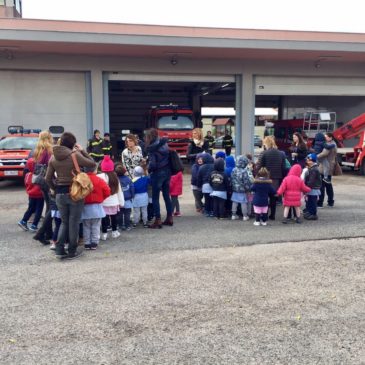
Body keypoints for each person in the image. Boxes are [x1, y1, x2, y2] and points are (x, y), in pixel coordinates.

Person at [45, 132, 96, 259]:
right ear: (72, 144)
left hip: (60, 194)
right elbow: (92, 163)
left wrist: (54, 188)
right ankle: (72, 250)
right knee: (73, 222)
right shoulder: (75, 155)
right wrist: (83, 151)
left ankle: (59, 249)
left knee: (64, 222)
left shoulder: (53, 157)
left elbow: (47, 178)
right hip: (75, 193)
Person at [145, 128, 173, 229]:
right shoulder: (164, 144)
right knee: (166, 196)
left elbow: (153, 164)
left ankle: (158, 220)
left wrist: (148, 170)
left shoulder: (152, 147)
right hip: (167, 172)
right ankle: (170, 218)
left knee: (155, 198)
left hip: (157, 173)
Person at [256, 136, 286, 220]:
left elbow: (260, 166)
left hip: (266, 177)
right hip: (276, 178)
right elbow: (283, 167)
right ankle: (272, 215)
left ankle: (264, 213)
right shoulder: (281, 153)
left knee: (265, 195)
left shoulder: (265, 153)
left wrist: (257, 175)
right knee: (273, 196)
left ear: (266, 143)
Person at [32, 130, 54, 243]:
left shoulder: (37, 150)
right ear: (48, 138)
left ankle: (48, 233)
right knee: (52, 207)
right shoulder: (49, 150)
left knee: (48, 206)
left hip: (39, 180)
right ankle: (41, 233)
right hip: (47, 180)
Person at [82, 165, 111, 250]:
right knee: (96, 225)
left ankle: (87, 242)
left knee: (86, 225)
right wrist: (101, 198)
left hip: (85, 206)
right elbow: (107, 191)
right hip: (97, 206)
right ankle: (94, 242)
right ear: (95, 170)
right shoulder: (99, 180)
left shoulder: (82, 180)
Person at [98, 155, 124, 240]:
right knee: (114, 218)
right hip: (114, 201)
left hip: (103, 202)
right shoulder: (115, 177)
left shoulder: (99, 177)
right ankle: (114, 231)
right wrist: (121, 202)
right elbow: (119, 191)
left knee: (104, 219)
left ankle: (104, 233)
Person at [18, 158, 45, 232]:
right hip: (39, 195)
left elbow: (26, 184)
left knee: (31, 208)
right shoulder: (39, 175)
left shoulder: (27, 175)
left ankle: (23, 221)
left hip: (31, 194)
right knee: (39, 210)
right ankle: (34, 225)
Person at [317, 132, 337, 208]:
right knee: (328, 185)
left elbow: (324, 154)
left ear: (330, 137)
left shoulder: (329, 145)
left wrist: (315, 156)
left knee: (321, 186)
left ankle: (320, 203)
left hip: (325, 167)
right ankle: (330, 202)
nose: (324, 138)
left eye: (326, 137)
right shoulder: (334, 143)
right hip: (330, 166)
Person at [231, 155, 254, 221]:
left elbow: (232, 179)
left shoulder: (233, 170)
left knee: (234, 202)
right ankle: (245, 216)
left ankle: (233, 215)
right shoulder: (244, 171)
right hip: (242, 190)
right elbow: (246, 181)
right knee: (243, 202)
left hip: (235, 189)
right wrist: (248, 188)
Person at [115, 164, 134, 231]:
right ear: (124, 172)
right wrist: (132, 195)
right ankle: (127, 226)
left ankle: (120, 226)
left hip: (119, 200)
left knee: (119, 214)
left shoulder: (116, 180)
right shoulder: (128, 179)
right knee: (127, 213)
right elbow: (132, 188)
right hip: (128, 199)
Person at [302, 153, 322, 220]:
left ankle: (313, 214)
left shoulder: (314, 169)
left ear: (312, 161)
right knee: (310, 201)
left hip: (313, 188)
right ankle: (310, 212)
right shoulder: (312, 168)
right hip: (311, 188)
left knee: (312, 201)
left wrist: (306, 188)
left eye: (308, 160)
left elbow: (311, 181)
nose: (307, 161)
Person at [197, 153, 215, 217]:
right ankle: (212, 211)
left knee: (207, 200)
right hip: (213, 185)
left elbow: (199, 178)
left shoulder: (201, 167)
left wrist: (198, 186)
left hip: (205, 185)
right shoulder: (214, 166)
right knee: (212, 199)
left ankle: (207, 211)